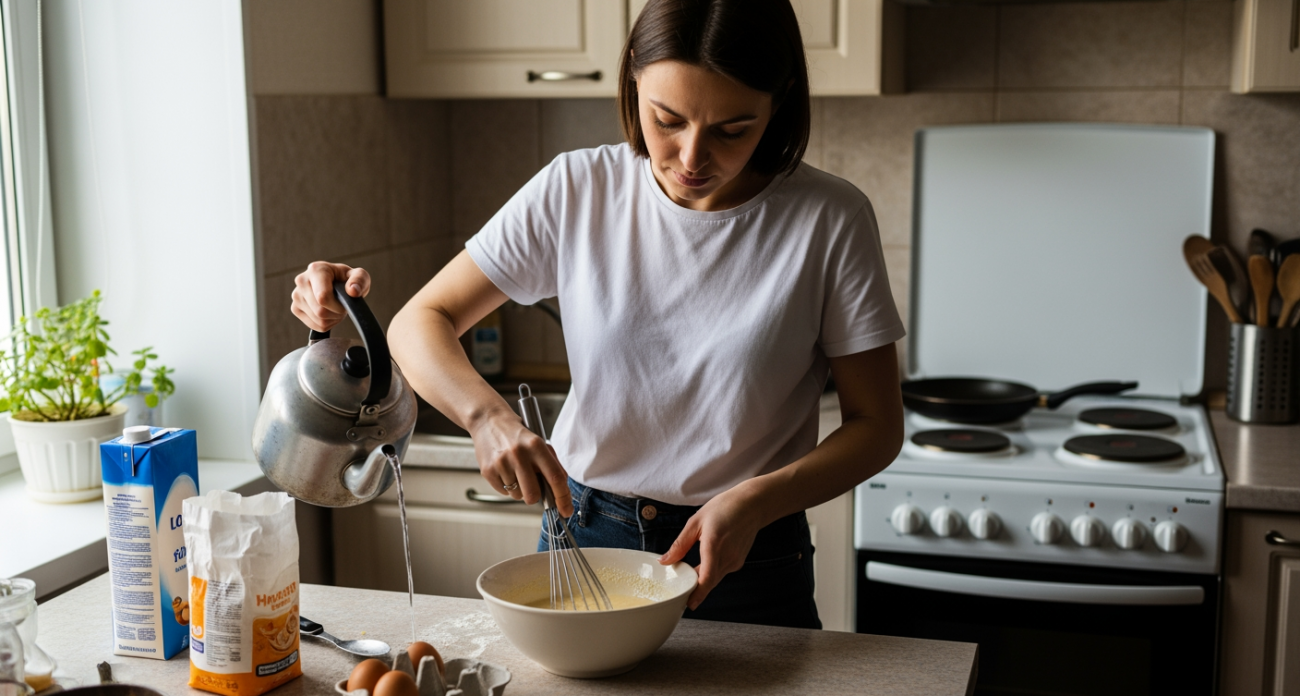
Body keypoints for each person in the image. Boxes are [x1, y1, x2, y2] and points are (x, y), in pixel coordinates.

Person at [291, 0, 904, 630]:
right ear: (633, 78)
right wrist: (487, 419)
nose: (691, 156)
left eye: (732, 130)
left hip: (749, 552)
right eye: (668, 119)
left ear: (779, 105)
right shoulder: (578, 188)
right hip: (584, 533)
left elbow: (876, 424)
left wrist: (757, 500)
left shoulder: (830, 219)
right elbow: (421, 319)